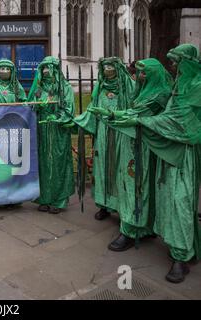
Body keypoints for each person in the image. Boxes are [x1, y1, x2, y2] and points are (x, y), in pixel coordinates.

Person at [111, 44, 201, 283]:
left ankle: (182, 256)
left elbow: (183, 122)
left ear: (188, 62)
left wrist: (145, 121)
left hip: (183, 156)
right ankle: (174, 245)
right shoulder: (178, 86)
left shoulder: (196, 87)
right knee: (167, 201)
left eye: (177, 61)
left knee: (180, 201)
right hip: (166, 151)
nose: (173, 66)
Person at [92, 58, 172, 251]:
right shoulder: (143, 90)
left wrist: (113, 117)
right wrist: (112, 115)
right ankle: (137, 226)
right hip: (132, 143)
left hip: (143, 148)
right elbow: (132, 111)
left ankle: (131, 230)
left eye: (144, 73)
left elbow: (138, 116)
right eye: (140, 72)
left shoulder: (160, 94)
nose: (140, 76)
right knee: (132, 185)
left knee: (136, 185)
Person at [70, 57, 135, 221]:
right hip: (102, 134)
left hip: (121, 134)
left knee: (119, 169)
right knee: (102, 167)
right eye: (105, 67)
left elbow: (134, 110)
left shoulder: (129, 86)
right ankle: (104, 204)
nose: (107, 69)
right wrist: (81, 121)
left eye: (111, 66)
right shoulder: (99, 87)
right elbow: (92, 108)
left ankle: (122, 207)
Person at [28, 56, 75, 214]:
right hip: (41, 131)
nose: (46, 71)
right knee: (43, 164)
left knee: (58, 163)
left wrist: (57, 117)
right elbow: (30, 107)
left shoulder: (64, 87)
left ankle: (59, 200)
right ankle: (44, 198)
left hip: (57, 132)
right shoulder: (39, 89)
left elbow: (69, 108)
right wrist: (37, 107)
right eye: (44, 68)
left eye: (49, 68)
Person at [0, 59, 27, 210]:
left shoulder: (16, 87)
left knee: (12, 163)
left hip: (13, 131)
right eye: (2, 69)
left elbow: (24, 104)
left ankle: (12, 198)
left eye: (8, 69)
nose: (5, 72)